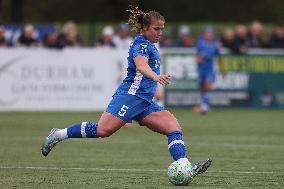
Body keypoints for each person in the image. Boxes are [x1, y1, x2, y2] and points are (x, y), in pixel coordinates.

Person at [41, 6, 211, 178]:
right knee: (102, 131)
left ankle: (185, 166)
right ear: (145, 28)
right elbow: (141, 66)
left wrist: (155, 85)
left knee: (173, 128)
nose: (160, 32)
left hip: (144, 101)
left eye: (162, 29)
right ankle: (58, 134)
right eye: (156, 29)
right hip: (130, 96)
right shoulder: (141, 44)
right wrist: (156, 77)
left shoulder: (151, 45)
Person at [194, 26, 225, 114]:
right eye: (207, 33)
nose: (209, 35)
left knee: (207, 85)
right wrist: (198, 59)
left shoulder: (215, 44)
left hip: (210, 68)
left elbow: (219, 57)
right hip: (201, 68)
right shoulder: (200, 43)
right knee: (202, 87)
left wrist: (223, 69)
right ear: (204, 34)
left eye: (210, 34)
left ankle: (205, 106)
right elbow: (197, 55)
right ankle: (203, 102)